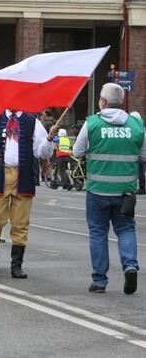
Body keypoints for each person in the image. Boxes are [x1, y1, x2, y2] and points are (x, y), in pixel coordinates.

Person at [72, 83, 145, 294]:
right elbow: (144, 156)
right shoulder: (136, 124)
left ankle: (99, 281)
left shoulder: (92, 123)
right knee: (126, 230)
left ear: (103, 102)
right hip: (126, 192)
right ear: (120, 102)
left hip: (98, 190)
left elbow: (77, 151)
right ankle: (130, 266)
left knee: (98, 233)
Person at [0, 106, 57, 279]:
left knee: (21, 222)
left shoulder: (33, 122)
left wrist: (49, 139)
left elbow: (41, 152)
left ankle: (17, 265)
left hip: (24, 175)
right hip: (0, 173)